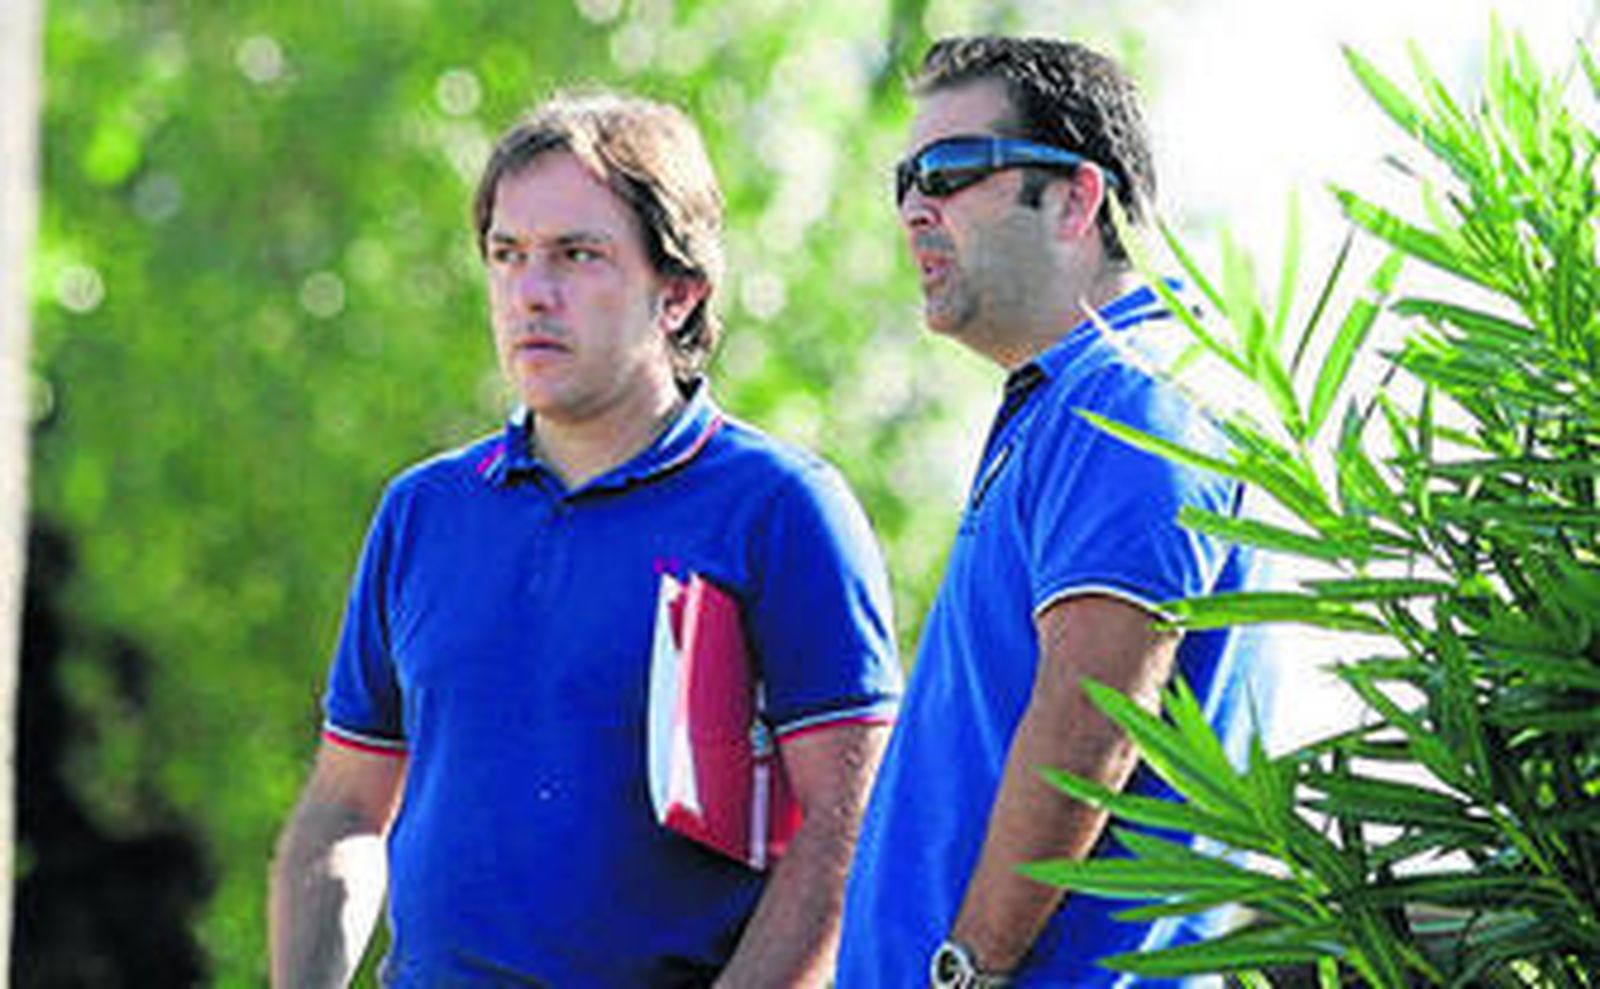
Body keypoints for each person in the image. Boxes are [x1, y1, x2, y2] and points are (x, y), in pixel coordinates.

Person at [269, 90, 902, 988]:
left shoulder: (783, 508)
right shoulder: (423, 510)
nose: (531, 291)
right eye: (507, 254)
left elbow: (854, 822)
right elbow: (344, 805)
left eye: (577, 254)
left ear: (678, 292)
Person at [837, 36, 1272, 987]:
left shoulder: (1133, 399)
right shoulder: (1071, 403)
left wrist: (967, 969)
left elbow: (1092, 718)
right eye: (905, 181)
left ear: (1077, 199)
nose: (913, 209)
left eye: (950, 171)